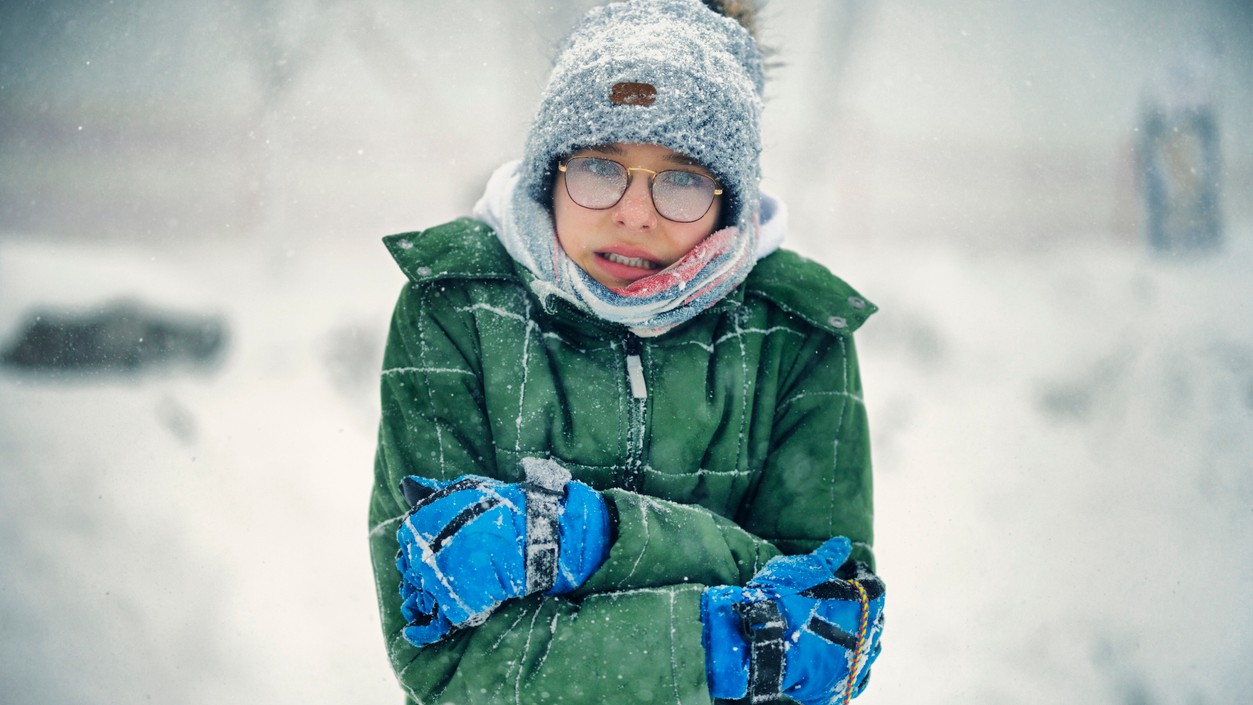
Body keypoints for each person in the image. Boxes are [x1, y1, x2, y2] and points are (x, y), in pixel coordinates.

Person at [367, 1, 886, 703]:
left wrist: (584, 537)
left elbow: (828, 631)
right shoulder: (457, 305)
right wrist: (723, 638)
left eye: (680, 177)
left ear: (727, 198)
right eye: (599, 166)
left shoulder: (795, 333)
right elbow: (446, 664)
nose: (634, 212)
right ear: (549, 171)